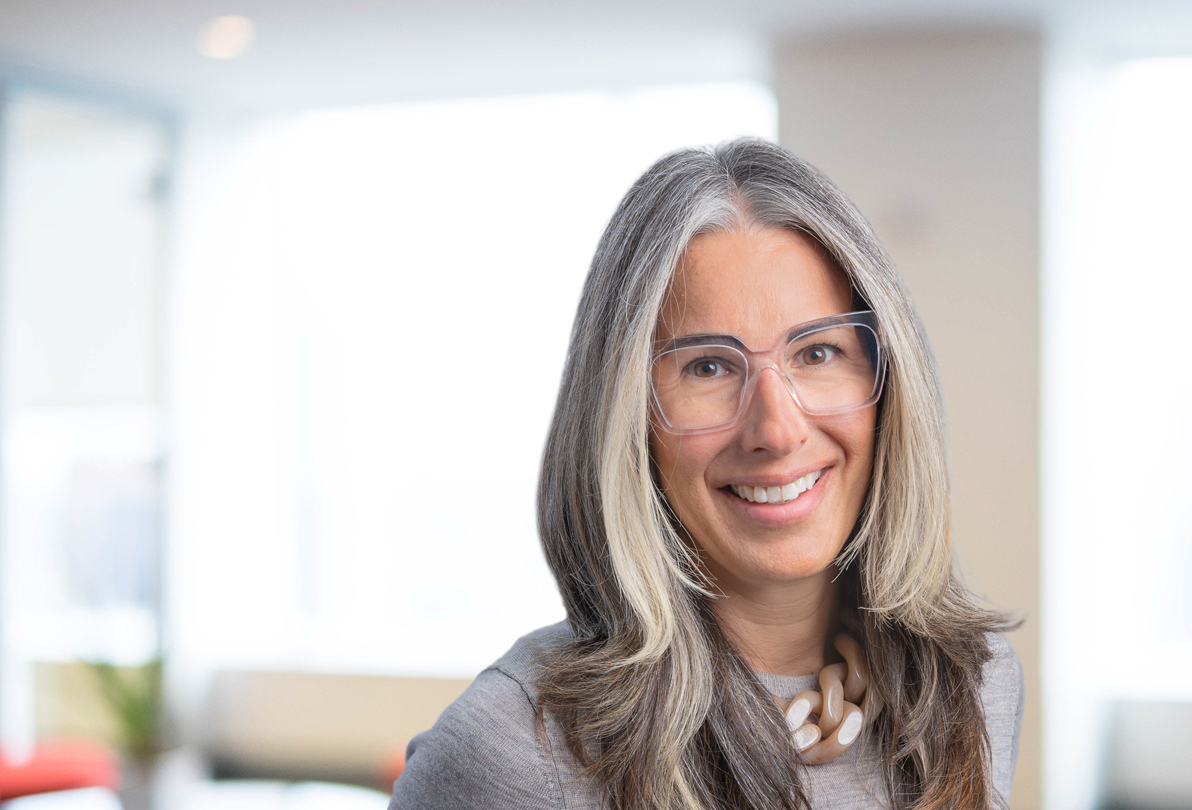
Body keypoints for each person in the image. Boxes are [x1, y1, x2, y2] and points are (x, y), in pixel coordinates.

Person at [389, 139, 1022, 810]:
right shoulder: (513, 753)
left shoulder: (973, 684)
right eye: (708, 367)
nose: (777, 429)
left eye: (817, 352)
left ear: (890, 385)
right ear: (625, 417)